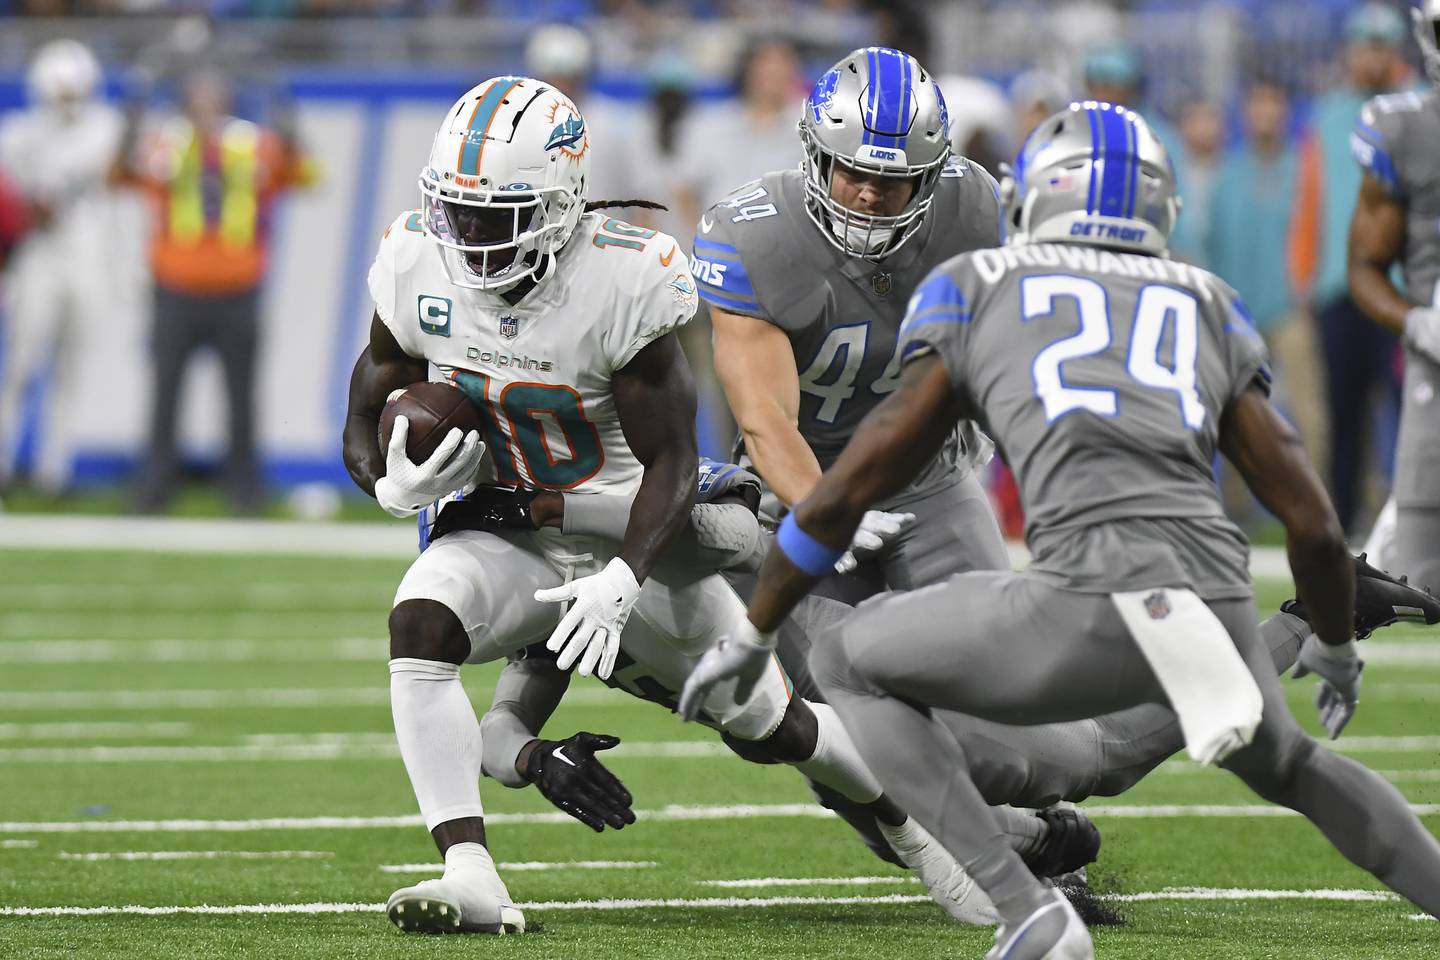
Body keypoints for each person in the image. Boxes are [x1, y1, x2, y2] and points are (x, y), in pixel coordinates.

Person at [682, 102, 1440, 959]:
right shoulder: (1210, 300)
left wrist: (752, 630)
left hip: (1064, 578)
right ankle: (1292, 634)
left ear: (1026, 200)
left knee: (863, 677)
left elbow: (860, 477)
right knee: (1271, 762)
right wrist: (1332, 636)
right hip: (1198, 581)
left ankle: (1030, 904)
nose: (869, 196)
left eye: (896, 183)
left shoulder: (979, 288)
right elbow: (1306, 512)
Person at [341, 76, 985, 935]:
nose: (473, 237)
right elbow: (363, 414)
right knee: (419, 623)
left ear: (562, 204)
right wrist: (385, 483)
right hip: (509, 532)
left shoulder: (622, 276)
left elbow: (673, 459)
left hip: (635, 533)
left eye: (499, 216)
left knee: (772, 726)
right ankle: (471, 875)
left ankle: (917, 836)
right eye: (459, 212)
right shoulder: (417, 259)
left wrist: (621, 578)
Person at [111, 68, 314, 515]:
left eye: (212, 93)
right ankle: (154, 488)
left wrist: (289, 123)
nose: (204, 102)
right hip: (176, 287)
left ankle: (244, 490)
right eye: (197, 94)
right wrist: (131, 117)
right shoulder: (167, 143)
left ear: (227, 99)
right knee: (165, 393)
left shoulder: (253, 143)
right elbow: (121, 172)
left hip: (238, 288)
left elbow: (304, 172)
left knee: (240, 395)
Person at [1289, 1, 1413, 535]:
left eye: (1382, 47)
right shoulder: (1329, 116)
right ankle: (1339, 530)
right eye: (1365, 47)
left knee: (1413, 415)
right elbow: (1311, 200)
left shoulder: (1422, 108)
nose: (1373, 58)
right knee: (1343, 416)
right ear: (1350, 52)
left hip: (1406, 290)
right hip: (1340, 288)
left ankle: (1415, 523)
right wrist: (1305, 277)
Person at [0, 39, 121, 497]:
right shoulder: (18, 133)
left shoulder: (104, 128)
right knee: (21, 363)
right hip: (37, 256)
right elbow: (15, 202)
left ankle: (55, 471)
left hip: (85, 254)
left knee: (72, 367)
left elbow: (100, 166)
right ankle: (5, 461)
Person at [1348, 0, 1440, 592]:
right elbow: (1363, 268)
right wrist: (1417, 322)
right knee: (1413, 574)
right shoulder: (1405, 128)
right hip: (1437, 370)